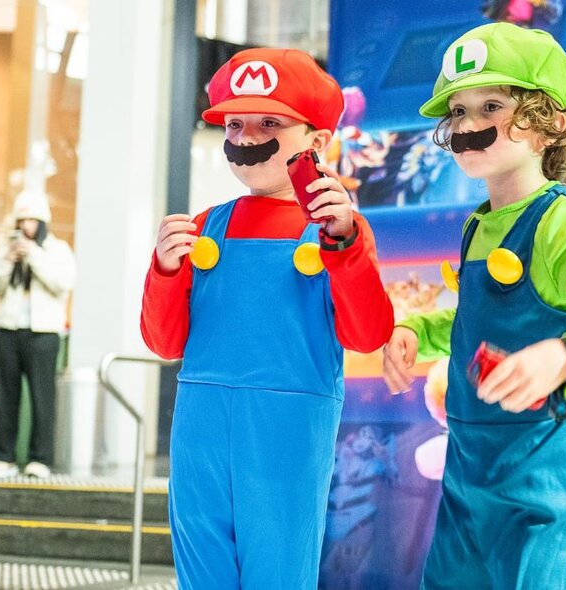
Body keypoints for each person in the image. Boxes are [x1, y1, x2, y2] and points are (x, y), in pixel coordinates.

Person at [382, 23, 566, 589]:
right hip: (468, 485)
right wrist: (416, 331)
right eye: (458, 112)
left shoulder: (564, 220)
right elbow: (475, 324)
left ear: (551, 123)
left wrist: (565, 357)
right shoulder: (479, 225)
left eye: (491, 105)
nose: (468, 127)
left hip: (548, 494)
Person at [141, 48, 394, 589]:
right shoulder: (205, 224)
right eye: (235, 122)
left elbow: (367, 333)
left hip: (289, 425)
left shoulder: (339, 228)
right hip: (201, 420)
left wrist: (345, 246)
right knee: (200, 564)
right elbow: (165, 343)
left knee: (277, 567)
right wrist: (164, 269)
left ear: (317, 142)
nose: (247, 136)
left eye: (270, 122)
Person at [0, 189, 75, 479]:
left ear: (43, 222)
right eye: (21, 220)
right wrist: (8, 260)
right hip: (7, 330)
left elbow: (62, 284)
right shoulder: (7, 248)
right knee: (5, 396)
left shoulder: (57, 249)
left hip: (43, 333)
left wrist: (33, 255)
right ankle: (3, 458)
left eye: (32, 220)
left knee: (42, 396)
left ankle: (40, 459)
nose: (25, 227)